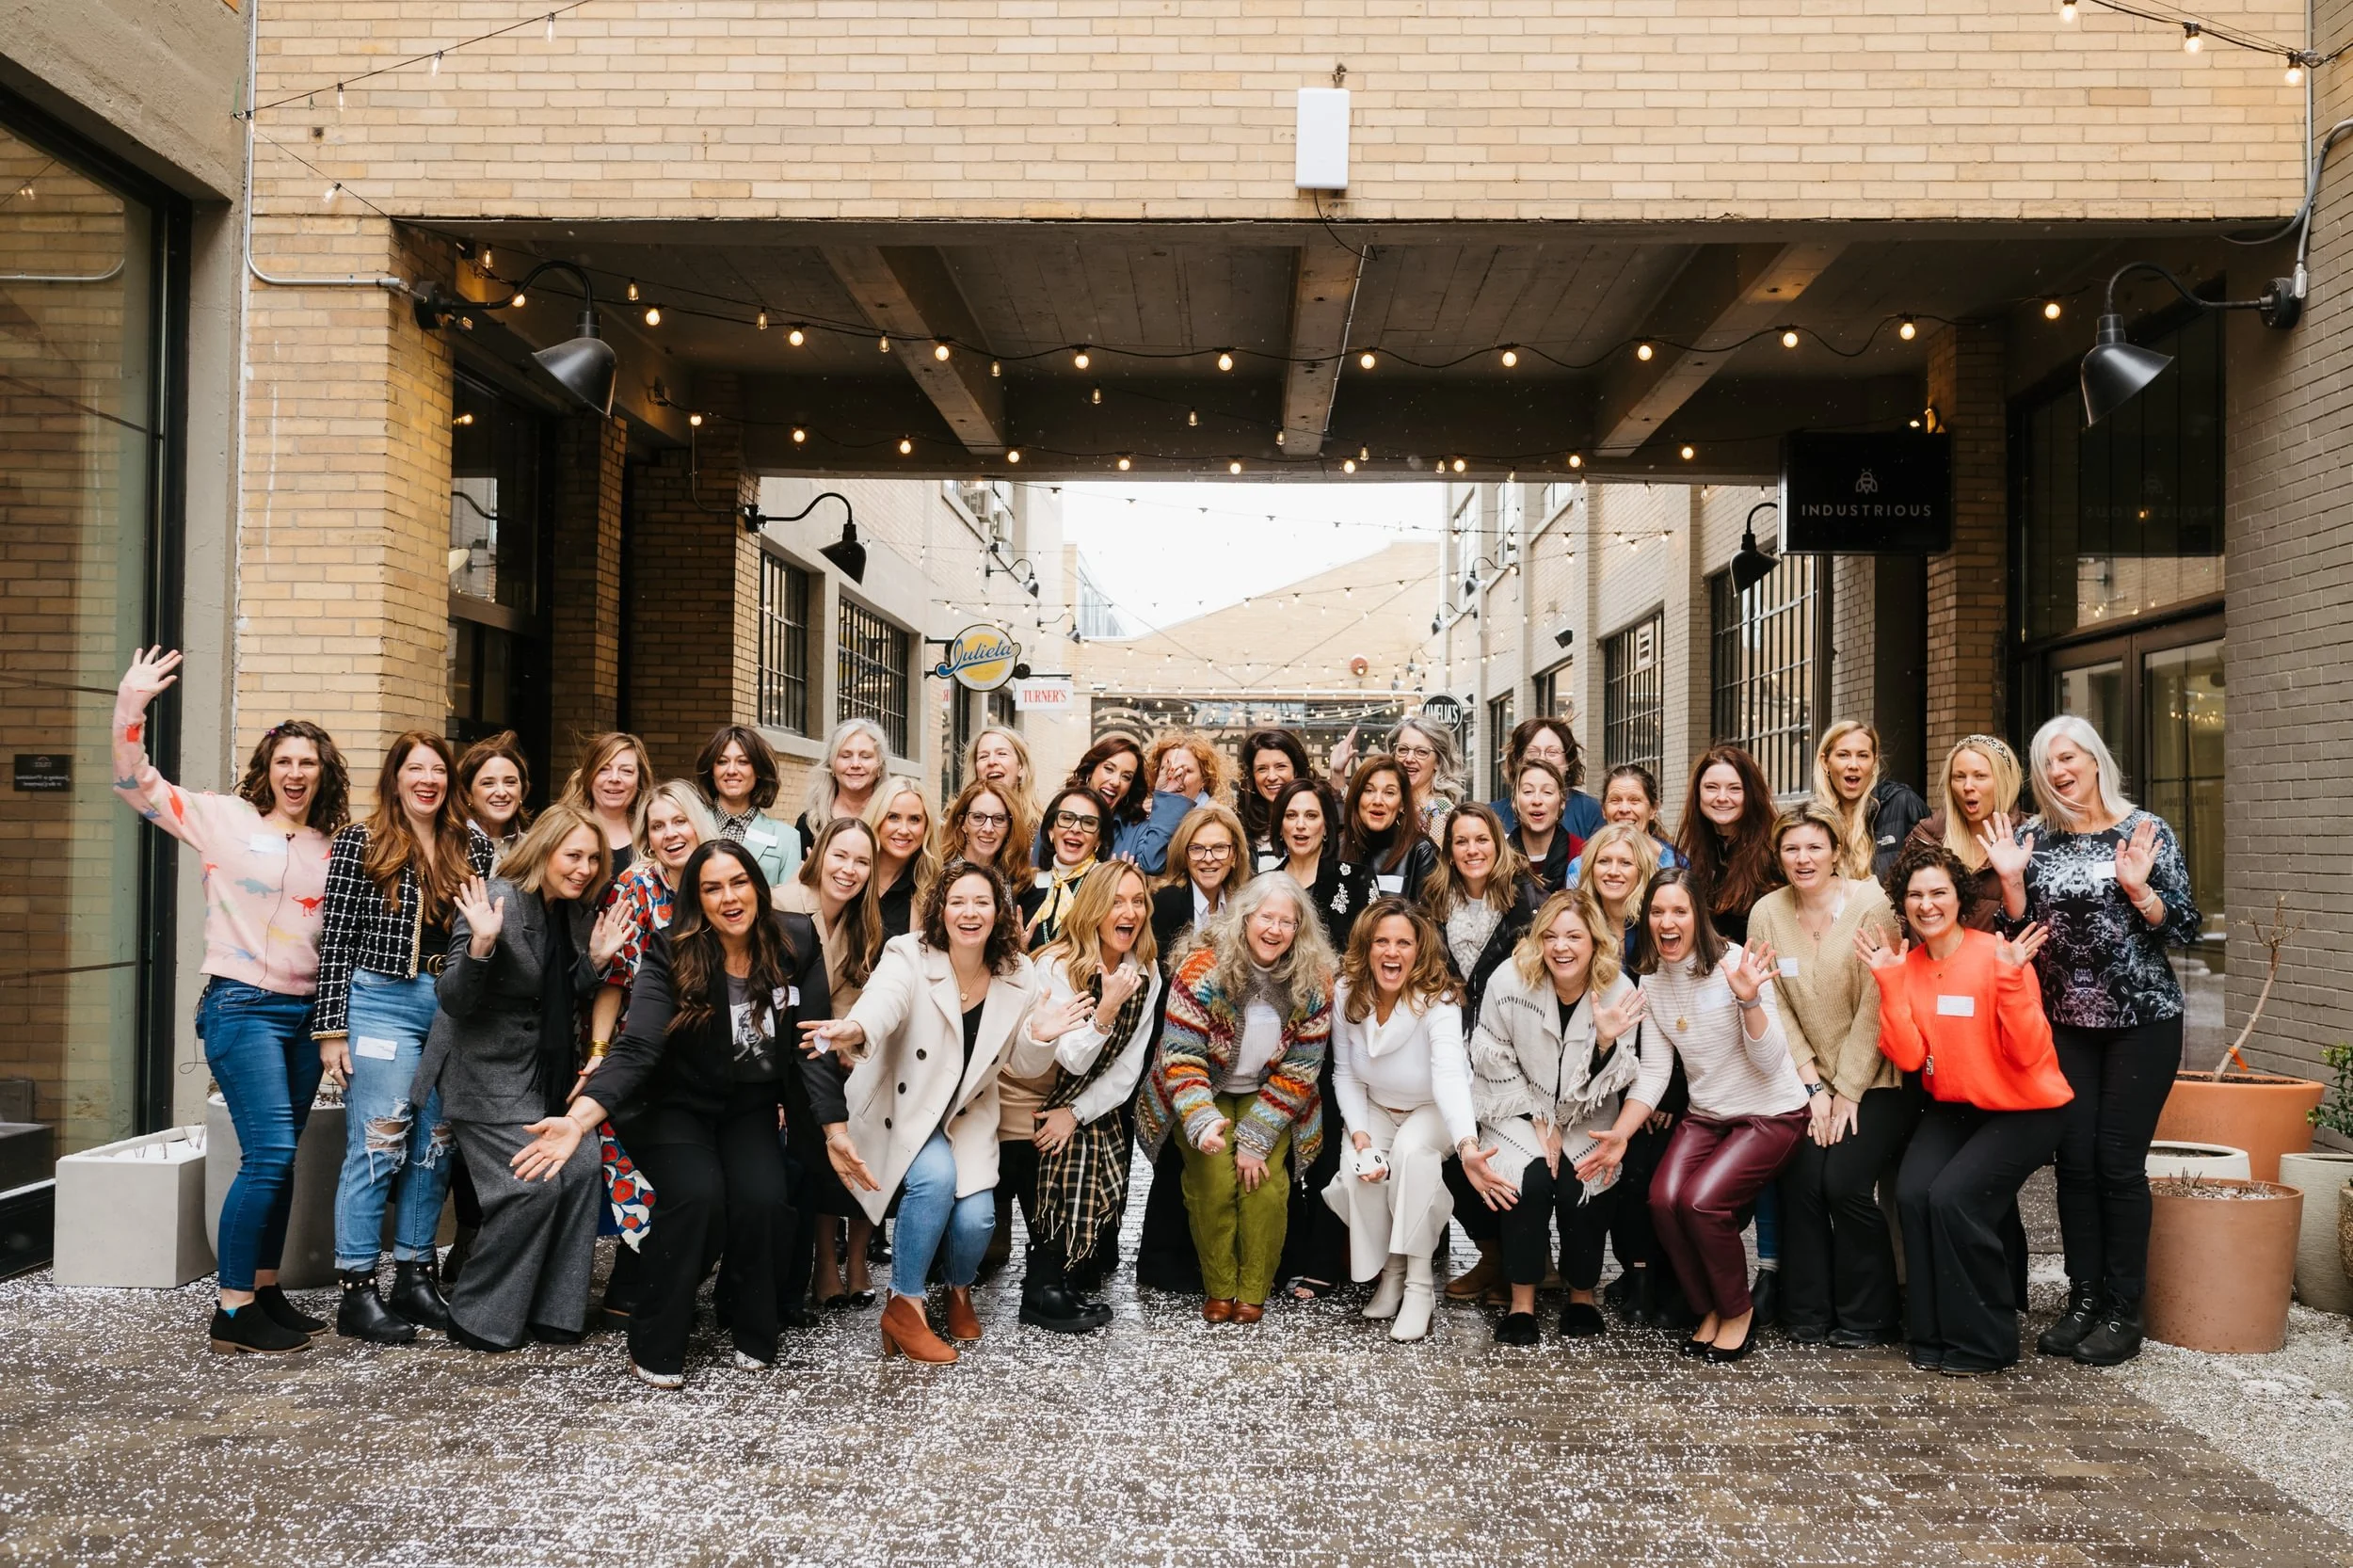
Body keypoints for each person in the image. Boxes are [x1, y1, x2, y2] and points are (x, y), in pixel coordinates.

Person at [112, 648, 349, 1355]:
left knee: (279, 1155)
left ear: (323, 773)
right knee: (270, 1153)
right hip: (241, 1006)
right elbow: (134, 783)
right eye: (286, 761)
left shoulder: (334, 845)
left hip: (307, 1019)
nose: (296, 774)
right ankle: (233, 1310)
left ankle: (265, 1287)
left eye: (309, 763)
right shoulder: (221, 818)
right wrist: (132, 703)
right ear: (267, 767)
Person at [563, 839, 831, 1386]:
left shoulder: (796, 940)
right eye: (712, 888)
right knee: (697, 1198)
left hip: (749, 1106)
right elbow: (637, 1046)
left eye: (738, 882)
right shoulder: (669, 949)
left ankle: (749, 1324)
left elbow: (812, 1044)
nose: (729, 897)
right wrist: (579, 1119)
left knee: (763, 1199)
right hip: (673, 1104)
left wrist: (835, 1126)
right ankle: (656, 1339)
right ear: (696, 898)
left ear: (757, 886)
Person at [1984, 714, 2201, 1368]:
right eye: (2048, 761)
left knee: (2116, 1164)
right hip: (2063, 1025)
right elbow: (2014, 933)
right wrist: (2013, 884)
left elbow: (2185, 926)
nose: (2059, 770)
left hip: (2141, 1021)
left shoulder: (2146, 830)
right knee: (2074, 1165)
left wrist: (2140, 890)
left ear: (2096, 760)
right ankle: (2082, 1300)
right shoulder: (2032, 837)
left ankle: (2122, 1310)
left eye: (2070, 756)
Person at [801, 863, 1055, 1364]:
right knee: (935, 1178)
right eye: (958, 901)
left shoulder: (1019, 972)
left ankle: (958, 1291)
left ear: (999, 911)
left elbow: (1021, 1063)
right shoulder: (909, 954)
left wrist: (1040, 1035)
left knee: (978, 1222)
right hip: (906, 1106)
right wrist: (855, 1029)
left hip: (967, 1114)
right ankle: (905, 1304)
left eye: (982, 902)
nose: (969, 912)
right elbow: (884, 1002)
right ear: (941, 908)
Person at [411, 806, 623, 1354]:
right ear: (545, 851)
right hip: (483, 1074)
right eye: (572, 855)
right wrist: (480, 945)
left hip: (542, 1076)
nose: (583, 868)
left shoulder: (573, 912)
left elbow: (552, 992)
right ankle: (479, 1315)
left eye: (592, 858)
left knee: (581, 1167)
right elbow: (453, 998)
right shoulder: (497, 897)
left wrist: (596, 962)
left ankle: (553, 1311)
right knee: (531, 1186)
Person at [312, 730, 495, 1344]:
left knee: (436, 1143)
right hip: (379, 1004)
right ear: (396, 777)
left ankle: (416, 1277)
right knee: (380, 1138)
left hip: (447, 1008)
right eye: (415, 769)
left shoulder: (470, 843)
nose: (427, 779)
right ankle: (357, 1290)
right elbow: (333, 939)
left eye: (437, 770)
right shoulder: (359, 842)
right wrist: (331, 1029)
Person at [1863, 845, 2071, 1375]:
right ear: (1902, 904)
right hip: (1956, 1107)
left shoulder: (1997, 955)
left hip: (2026, 1108)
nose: (1927, 905)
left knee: (1954, 1199)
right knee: (1912, 1194)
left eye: (1938, 893)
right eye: (1915, 895)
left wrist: (2008, 981)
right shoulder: (1905, 968)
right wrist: (1888, 985)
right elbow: (1910, 1056)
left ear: (1959, 898)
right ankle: (1933, 1335)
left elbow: (2031, 1054)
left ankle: (1986, 1341)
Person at [1746, 805, 1913, 1347]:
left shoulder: (1872, 905)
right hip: (1808, 1081)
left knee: (1842, 1183)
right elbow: (1773, 1002)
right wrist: (1813, 1087)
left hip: (1877, 1081)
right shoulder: (1767, 913)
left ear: (1837, 851)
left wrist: (1846, 1091)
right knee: (1801, 1179)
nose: (1803, 858)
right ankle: (1807, 1311)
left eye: (1815, 847)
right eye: (1791, 848)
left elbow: (1876, 1004)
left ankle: (1871, 1314)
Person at [1465, 890, 1662, 1345]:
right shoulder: (1509, 981)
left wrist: (1605, 1045)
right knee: (1527, 1184)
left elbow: (1618, 1079)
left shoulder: (1619, 990)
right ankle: (1521, 1302)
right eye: (1550, 936)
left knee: (1584, 1180)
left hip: (1587, 1112)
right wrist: (1538, 1119)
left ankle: (1581, 1294)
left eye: (1574, 936)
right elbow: (1492, 1056)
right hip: (1516, 1109)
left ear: (1594, 940)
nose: (1561, 947)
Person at [1138, 872, 1337, 1323]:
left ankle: (1253, 1290)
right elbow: (1180, 1057)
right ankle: (1220, 1286)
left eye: (1287, 922)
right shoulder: (1200, 970)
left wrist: (1256, 1137)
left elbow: (1302, 1067)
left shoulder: (1315, 982)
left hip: (1272, 1093)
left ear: (1299, 930)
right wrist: (1202, 1121)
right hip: (1201, 1093)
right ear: (1245, 917)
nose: (1274, 930)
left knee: (1265, 1188)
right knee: (1213, 1182)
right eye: (1266, 917)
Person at [1636, 866, 1805, 1363]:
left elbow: (1771, 1061)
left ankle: (1738, 1311)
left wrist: (1748, 1000)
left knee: (1702, 1202)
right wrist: (1623, 1132)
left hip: (1771, 1114)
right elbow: (1654, 1071)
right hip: (1707, 1113)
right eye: (1657, 911)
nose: (1667, 921)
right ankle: (1707, 1306)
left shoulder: (1738, 965)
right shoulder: (1653, 980)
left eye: (1679, 911)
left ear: (1698, 916)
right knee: (1664, 1199)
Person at [576, 781, 717, 1319]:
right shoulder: (634, 886)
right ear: (646, 837)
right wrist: (597, 1050)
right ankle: (635, 1288)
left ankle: (668, 1280)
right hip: (643, 1050)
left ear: (697, 823)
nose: (670, 834)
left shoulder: (723, 877)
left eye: (678, 821)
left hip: (709, 1053)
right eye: (657, 826)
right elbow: (613, 979)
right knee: (646, 1171)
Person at [1004, 861, 1164, 1333]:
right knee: (1061, 1144)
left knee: (1086, 1133)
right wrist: (1105, 1010)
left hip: (1087, 1099)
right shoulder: (1055, 965)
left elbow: (1128, 1067)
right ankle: (1043, 1284)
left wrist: (1075, 1112)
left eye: (1138, 901)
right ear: (1094, 908)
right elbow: (1070, 1058)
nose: (1129, 912)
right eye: (1117, 901)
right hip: (1035, 1087)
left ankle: (1068, 1267)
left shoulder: (1147, 972)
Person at [1673, 743, 1790, 1324]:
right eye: (1711, 788)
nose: (1722, 799)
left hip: (1758, 1008)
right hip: (1706, 1021)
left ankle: (1769, 1269)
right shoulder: (1689, 854)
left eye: (1733, 789)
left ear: (1751, 794)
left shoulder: (1769, 856)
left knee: (1760, 1140)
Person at [1321, 902, 1476, 1342]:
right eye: (1382, 942)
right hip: (1377, 1107)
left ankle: (1420, 1286)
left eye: (1403, 942)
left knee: (1412, 1155)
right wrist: (1363, 1138)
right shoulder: (1347, 991)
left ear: (1418, 949)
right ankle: (1391, 1271)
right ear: (1367, 948)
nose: (1392, 952)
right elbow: (1345, 1072)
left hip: (1434, 1109)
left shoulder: (1439, 1000)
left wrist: (1466, 1142)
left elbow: (1448, 1075)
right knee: (1358, 1168)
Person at [776, 817, 886, 1309]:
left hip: (831, 1052)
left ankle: (856, 1259)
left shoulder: (863, 920)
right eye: (840, 855)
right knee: (815, 1138)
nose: (849, 869)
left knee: (870, 1115)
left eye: (862, 861)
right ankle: (823, 1261)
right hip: (782, 1054)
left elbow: (851, 995)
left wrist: (845, 1046)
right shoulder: (781, 905)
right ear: (818, 855)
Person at [1423, 803, 1543, 1031]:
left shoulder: (1529, 901)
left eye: (1482, 840)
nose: (1472, 850)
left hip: (1513, 1028)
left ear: (1498, 845)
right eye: (1461, 842)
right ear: (1450, 853)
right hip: (1450, 1029)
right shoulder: (1431, 902)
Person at [1897, 734, 2025, 935]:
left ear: (2004, 780)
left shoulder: (2030, 838)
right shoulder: (1925, 838)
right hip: (1931, 963)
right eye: (1959, 777)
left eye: (1980, 776)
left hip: (2002, 963)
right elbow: (1899, 916)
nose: (1967, 786)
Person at [1042, 734, 1192, 874]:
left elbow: (1152, 864)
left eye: (1126, 777)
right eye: (1109, 769)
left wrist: (1164, 797)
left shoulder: (1136, 830)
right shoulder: (1061, 814)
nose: (1115, 782)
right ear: (1090, 771)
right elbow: (1036, 872)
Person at [1813, 720, 1929, 884]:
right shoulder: (1812, 821)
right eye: (1843, 755)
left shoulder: (1903, 803)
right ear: (1825, 762)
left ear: (1874, 763)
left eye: (1862, 755)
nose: (1853, 765)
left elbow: (1934, 876)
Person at [696, 724, 802, 890]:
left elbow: (790, 908)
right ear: (712, 770)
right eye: (722, 762)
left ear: (758, 770)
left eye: (743, 762)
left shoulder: (787, 839)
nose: (731, 770)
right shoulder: (691, 825)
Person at [1339, 756, 1440, 920]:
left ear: (1401, 804)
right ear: (1357, 798)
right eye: (1369, 790)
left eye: (1389, 793)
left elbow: (1427, 925)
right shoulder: (1339, 847)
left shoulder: (1420, 852)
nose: (1378, 800)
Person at [1262, 778, 1353, 950]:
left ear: (1326, 826)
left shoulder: (1355, 881)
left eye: (1311, 816)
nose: (1300, 825)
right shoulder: (1261, 886)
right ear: (1280, 827)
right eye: (1291, 816)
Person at [1486, 716, 1606, 843]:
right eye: (1533, 752)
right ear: (1518, 760)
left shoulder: (1591, 811)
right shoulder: (1493, 814)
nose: (1542, 759)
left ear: (1568, 762)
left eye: (1552, 752)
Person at [1153, 803, 1247, 954]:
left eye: (1219, 848)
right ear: (1184, 856)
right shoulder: (1169, 901)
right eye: (1197, 848)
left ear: (1234, 856)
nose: (1208, 858)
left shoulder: (1240, 905)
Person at [558, 732, 652, 879]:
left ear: (639, 779)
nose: (614, 778)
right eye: (603, 769)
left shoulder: (653, 833)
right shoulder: (562, 829)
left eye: (626, 771)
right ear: (590, 775)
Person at [1022, 784, 1106, 949]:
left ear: (1099, 839)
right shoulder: (1027, 884)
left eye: (1088, 823)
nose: (1075, 829)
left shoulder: (1106, 885)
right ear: (1051, 830)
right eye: (1067, 819)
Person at [795, 717, 888, 855]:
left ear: (880, 766)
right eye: (845, 756)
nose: (855, 764)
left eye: (865, 757)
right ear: (831, 765)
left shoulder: (892, 820)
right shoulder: (811, 822)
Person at [864, 776, 938, 940]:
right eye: (893, 817)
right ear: (877, 818)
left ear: (926, 827)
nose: (904, 830)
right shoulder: (851, 874)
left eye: (914, 819)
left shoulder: (932, 890)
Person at [1577, 824, 1660, 960]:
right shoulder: (1577, 922)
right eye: (1604, 861)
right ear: (1590, 868)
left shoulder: (1655, 923)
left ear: (1641, 871)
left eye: (1625, 863)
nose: (1613, 872)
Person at [941, 777, 1032, 892]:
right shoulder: (938, 875)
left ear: (1010, 827)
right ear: (962, 823)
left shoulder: (1019, 882)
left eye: (999, 819)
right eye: (978, 817)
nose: (988, 829)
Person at [1505, 757, 1580, 894]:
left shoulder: (1582, 854)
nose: (1537, 800)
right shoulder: (1499, 857)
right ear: (1514, 802)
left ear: (1562, 802)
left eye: (1547, 792)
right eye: (1528, 791)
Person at [1236, 728, 1314, 856]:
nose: (1271, 777)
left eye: (1281, 766)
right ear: (1252, 776)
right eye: (1262, 769)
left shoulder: (1316, 822)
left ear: (1296, 770)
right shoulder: (1242, 829)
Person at [1387, 716, 1464, 840]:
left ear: (1438, 762)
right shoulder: (1392, 801)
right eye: (1403, 749)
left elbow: (1440, 859)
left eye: (1421, 752)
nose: (1409, 758)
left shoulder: (1440, 812)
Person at [456, 731, 532, 849]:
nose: (501, 793)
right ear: (467, 794)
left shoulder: (533, 848)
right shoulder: (453, 846)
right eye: (488, 783)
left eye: (510, 782)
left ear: (522, 791)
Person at [1602, 763, 1683, 871]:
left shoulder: (1676, 864)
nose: (1624, 809)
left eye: (1635, 800)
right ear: (1603, 810)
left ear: (1653, 810)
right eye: (1615, 800)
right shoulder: (1583, 866)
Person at [1144, 728, 1229, 810]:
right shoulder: (1149, 813)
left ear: (1204, 779)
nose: (1175, 775)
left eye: (1186, 770)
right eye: (1166, 769)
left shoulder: (1212, 818)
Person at [967, 724, 1036, 810]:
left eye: (1002, 754)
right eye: (983, 756)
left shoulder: (1044, 822)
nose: (991, 761)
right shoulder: (958, 821)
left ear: (1021, 766)